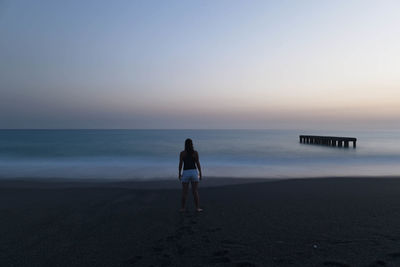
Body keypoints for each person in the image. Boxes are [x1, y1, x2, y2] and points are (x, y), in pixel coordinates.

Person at [179, 138, 202, 212]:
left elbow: (181, 164)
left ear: (185, 144)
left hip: (186, 172)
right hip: (194, 172)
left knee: (184, 192)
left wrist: (179, 173)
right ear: (192, 144)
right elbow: (197, 163)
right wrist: (200, 173)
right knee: (195, 191)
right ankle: (197, 208)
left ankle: (182, 208)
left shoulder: (182, 153)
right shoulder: (195, 153)